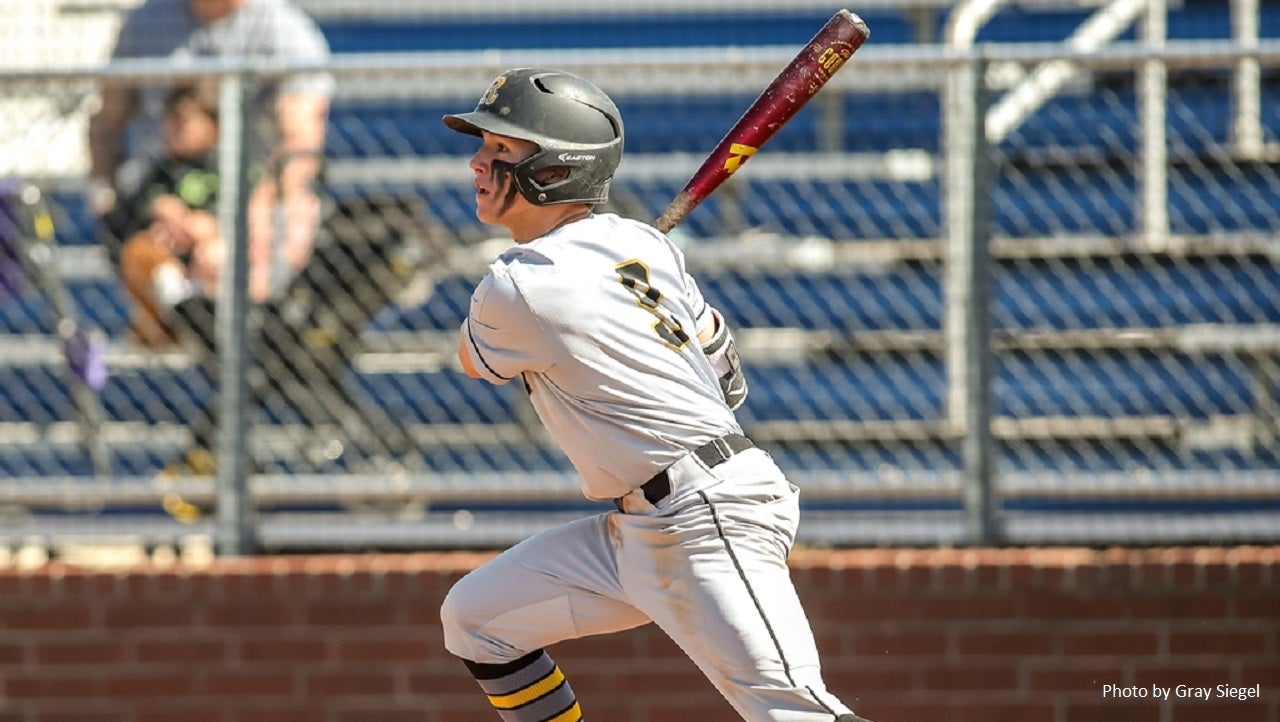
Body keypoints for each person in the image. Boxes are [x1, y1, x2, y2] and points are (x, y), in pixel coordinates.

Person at [438, 68, 874, 722]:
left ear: (556, 170)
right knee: (477, 619)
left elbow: (472, 362)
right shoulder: (642, 245)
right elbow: (726, 371)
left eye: (501, 149)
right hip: (643, 525)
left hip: (704, 515)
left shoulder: (519, 285)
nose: (477, 161)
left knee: (793, 712)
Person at [88, 0, 333, 301]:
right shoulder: (145, 22)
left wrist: (254, 211)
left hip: (254, 198)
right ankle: (171, 318)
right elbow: (106, 122)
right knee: (140, 247)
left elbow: (301, 143)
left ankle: (249, 324)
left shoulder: (284, 31)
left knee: (264, 233)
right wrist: (107, 194)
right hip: (164, 203)